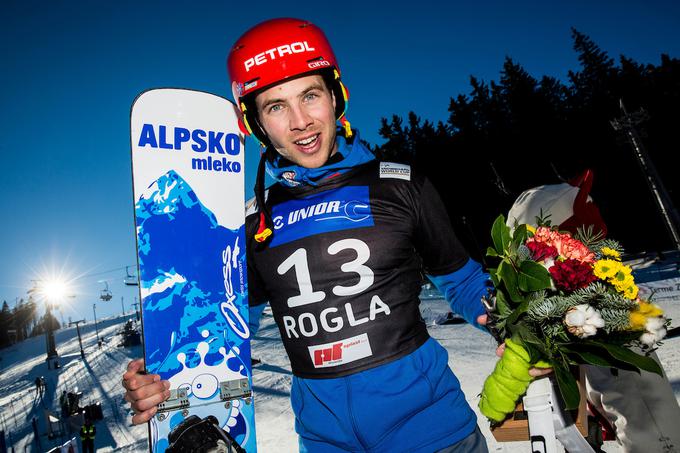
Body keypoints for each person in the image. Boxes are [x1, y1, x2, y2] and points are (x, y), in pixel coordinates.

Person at [122, 18, 548, 452]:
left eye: (310, 95)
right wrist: (164, 378)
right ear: (254, 124)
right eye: (275, 106)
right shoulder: (248, 225)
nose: (300, 121)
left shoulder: (400, 185)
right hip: (326, 442)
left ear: (336, 95)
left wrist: (515, 323)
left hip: (434, 432)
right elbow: (224, 338)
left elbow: (462, 281)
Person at [507, 169, 680, 453]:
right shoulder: (574, 296)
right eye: (583, 204)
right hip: (650, 431)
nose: (592, 205)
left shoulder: (593, 282)